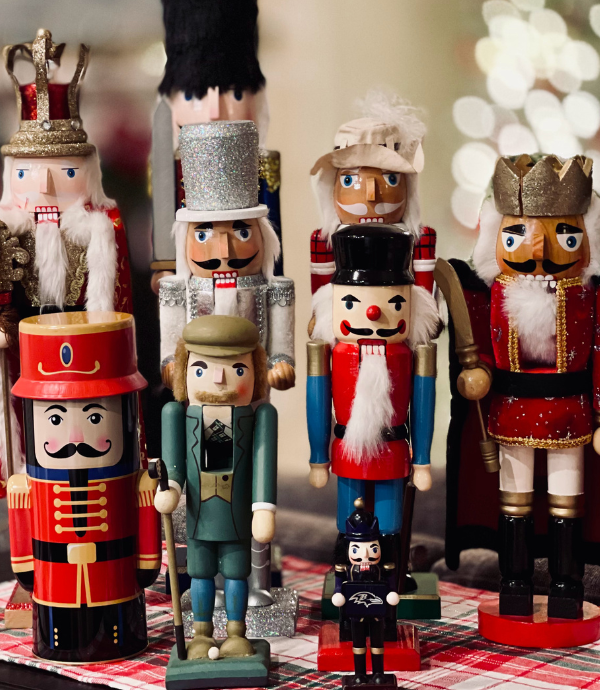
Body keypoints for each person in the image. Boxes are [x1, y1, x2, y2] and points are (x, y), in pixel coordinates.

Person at [7, 312, 160, 663]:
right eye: (55, 419)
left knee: (120, 628)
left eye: (94, 417)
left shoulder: (136, 483)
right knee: (58, 629)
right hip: (54, 583)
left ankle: (122, 639)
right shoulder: (28, 487)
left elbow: (147, 531)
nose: (75, 439)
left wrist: (147, 566)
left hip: (117, 580)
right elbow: (22, 543)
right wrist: (26, 571)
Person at [155, 315, 277, 658]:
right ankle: (202, 633)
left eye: (237, 369)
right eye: (202, 368)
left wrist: (264, 507)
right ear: (184, 370)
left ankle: (237, 632)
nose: (219, 378)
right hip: (199, 517)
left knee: (238, 574)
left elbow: (263, 464)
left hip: (238, 514)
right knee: (200, 575)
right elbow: (173, 465)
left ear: (255, 370)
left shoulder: (260, 418)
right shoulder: (177, 415)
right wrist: (171, 490)